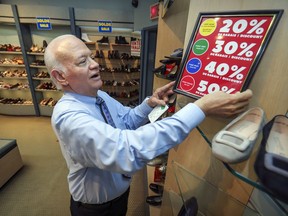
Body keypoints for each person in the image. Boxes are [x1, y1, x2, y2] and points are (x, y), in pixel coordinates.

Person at [44, 34, 253, 216]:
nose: (95, 63)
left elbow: (125, 121)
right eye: (82, 61)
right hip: (96, 209)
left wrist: (149, 104)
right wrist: (200, 109)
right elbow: (126, 150)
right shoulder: (69, 117)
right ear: (60, 76)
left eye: (91, 56)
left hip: (119, 194)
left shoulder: (99, 96)